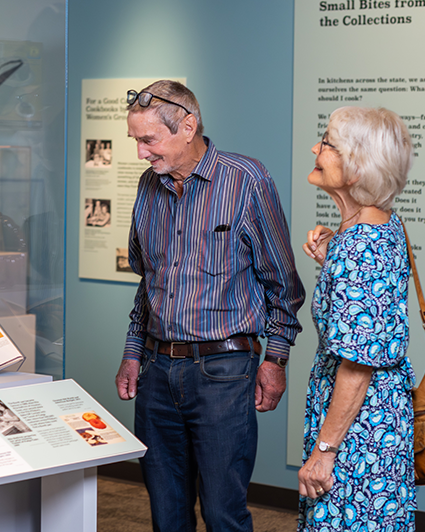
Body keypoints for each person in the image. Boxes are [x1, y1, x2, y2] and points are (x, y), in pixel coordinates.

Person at [115, 80, 304, 532]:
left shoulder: (247, 180)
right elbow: (150, 282)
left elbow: (284, 284)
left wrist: (275, 360)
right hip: (158, 373)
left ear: (187, 126)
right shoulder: (148, 187)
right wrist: (132, 351)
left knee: (223, 513)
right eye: (135, 140)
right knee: (166, 513)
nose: (141, 153)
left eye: (148, 140)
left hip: (223, 373)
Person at [298, 106, 416, 530]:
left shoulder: (358, 248)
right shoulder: (384, 228)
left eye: (328, 143)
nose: (316, 148)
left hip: (358, 434)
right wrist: (335, 258)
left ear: (357, 168)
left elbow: (358, 361)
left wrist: (324, 451)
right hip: (380, 419)